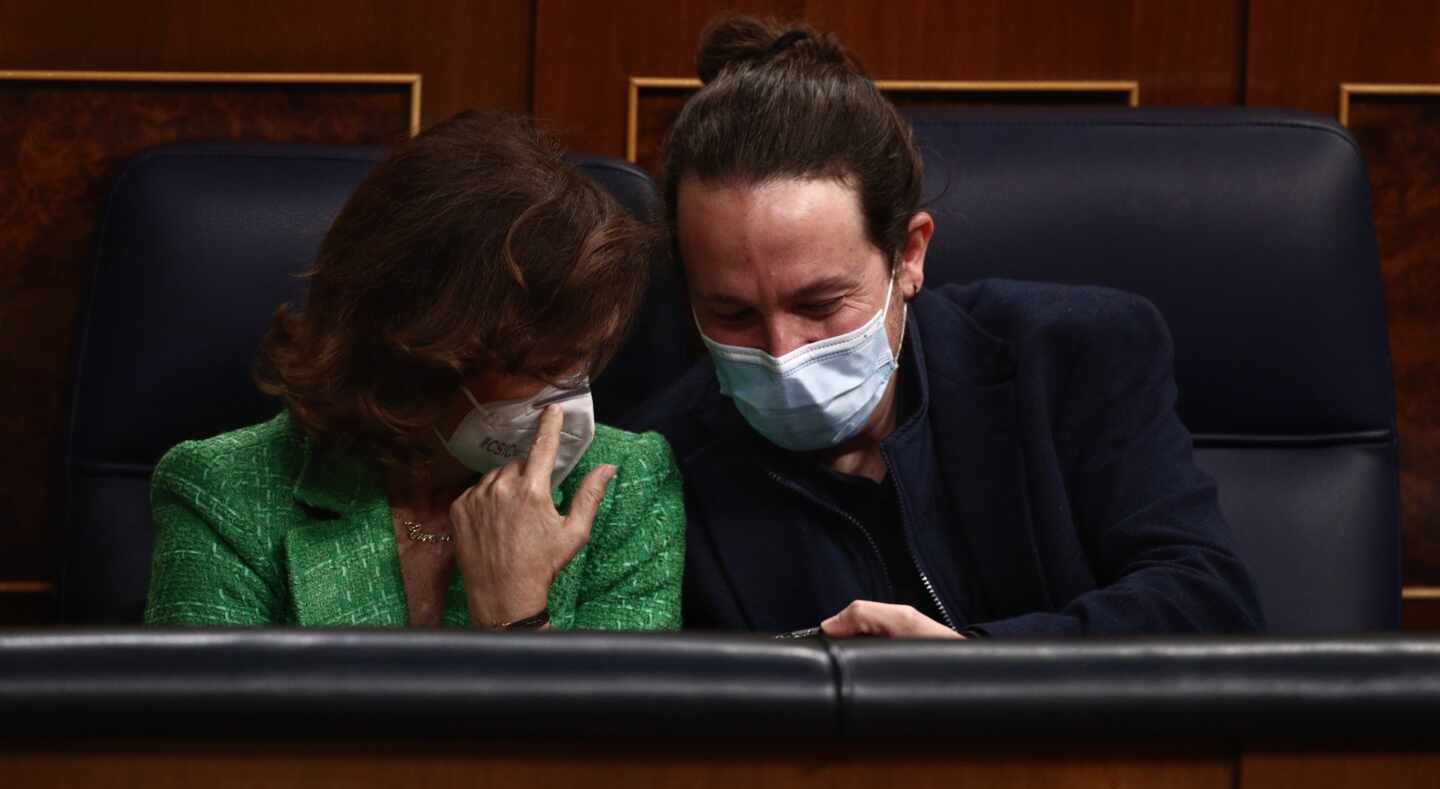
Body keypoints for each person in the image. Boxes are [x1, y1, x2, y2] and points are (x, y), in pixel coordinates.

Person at [631, 16, 1264, 638]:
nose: (781, 352)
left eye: (821, 304)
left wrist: (973, 670)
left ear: (908, 255)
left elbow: (1208, 605)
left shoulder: (1072, 358)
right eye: (733, 313)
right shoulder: (653, 466)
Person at [145, 111, 684, 630]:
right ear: (419, 351)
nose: (568, 399)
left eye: (583, 358)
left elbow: (615, 727)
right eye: (542, 367)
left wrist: (514, 619)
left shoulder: (623, 490)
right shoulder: (224, 493)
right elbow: (204, 723)